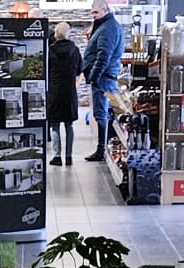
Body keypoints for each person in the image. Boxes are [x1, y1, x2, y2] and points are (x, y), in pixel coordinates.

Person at [81, 0, 123, 163]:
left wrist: (94, 76)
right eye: (92, 12)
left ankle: (101, 150)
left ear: (106, 11)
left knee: (101, 113)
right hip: (104, 76)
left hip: (103, 77)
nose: (93, 15)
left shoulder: (108, 28)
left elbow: (103, 55)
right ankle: (103, 148)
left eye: (96, 12)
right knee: (102, 113)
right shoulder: (105, 26)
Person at [48, 20, 84, 167]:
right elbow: (79, 70)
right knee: (69, 126)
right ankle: (69, 157)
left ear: (56, 34)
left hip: (54, 91)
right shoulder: (74, 50)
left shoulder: (49, 50)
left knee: (55, 126)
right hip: (69, 91)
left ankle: (57, 156)